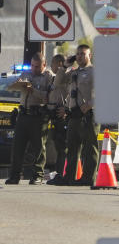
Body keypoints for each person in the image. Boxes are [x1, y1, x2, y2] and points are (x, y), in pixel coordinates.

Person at [48, 44, 96, 186]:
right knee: (72, 148)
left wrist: (89, 105)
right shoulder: (74, 73)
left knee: (89, 148)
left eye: (83, 53)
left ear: (90, 55)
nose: (80, 56)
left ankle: (87, 178)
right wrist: (65, 66)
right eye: (78, 54)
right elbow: (57, 83)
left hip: (88, 114)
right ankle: (69, 177)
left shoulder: (95, 72)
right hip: (74, 115)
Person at [6, 53, 56, 185]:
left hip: (38, 116)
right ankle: (14, 176)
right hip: (23, 115)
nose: (34, 68)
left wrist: (33, 90)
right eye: (33, 65)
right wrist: (17, 85)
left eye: (37, 66)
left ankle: (38, 175)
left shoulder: (48, 76)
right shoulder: (26, 74)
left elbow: (48, 97)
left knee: (39, 148)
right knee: (17, 147)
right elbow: (14, 87)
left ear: (44, 65)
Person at [46, 54, 70, 175]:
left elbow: (72, 95)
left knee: (62, 147)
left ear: (60, 64)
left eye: (53, 63)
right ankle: (59, 173)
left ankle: (62, 174)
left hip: (62, 117)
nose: (51, 65)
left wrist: (66, 109)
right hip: (54, 117)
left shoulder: (66, 78)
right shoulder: (54, 78)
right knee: (57, 146)